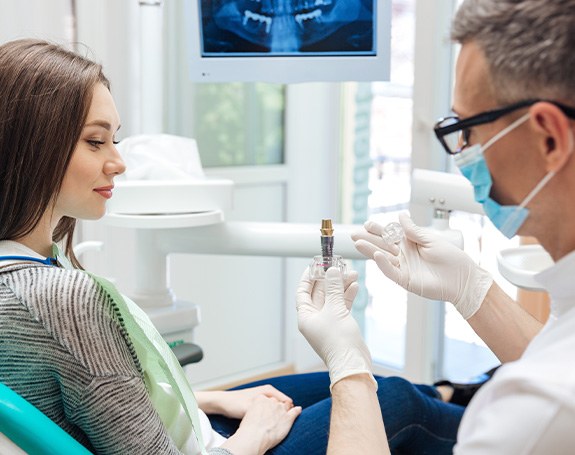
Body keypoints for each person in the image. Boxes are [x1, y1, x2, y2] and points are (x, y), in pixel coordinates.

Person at [0, 38, 476, 455]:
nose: (118, 163)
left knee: (392, 388)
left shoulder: (27, 264)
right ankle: (512, 421)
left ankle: (462, 393)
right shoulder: (59, 298)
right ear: (32, 145)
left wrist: (214, 398)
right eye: (96, 142)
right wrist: (255, 434)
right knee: (395, 401)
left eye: (115, 140)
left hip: (184, 427)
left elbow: (101, 404)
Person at [297, 0, 575, 453]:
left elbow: (554, 382)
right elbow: (558, 352)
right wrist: (471, 288)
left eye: (467, 127)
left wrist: (348, 367)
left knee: (401, 401)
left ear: (548, 136)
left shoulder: (537, 412)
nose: (462, 149)